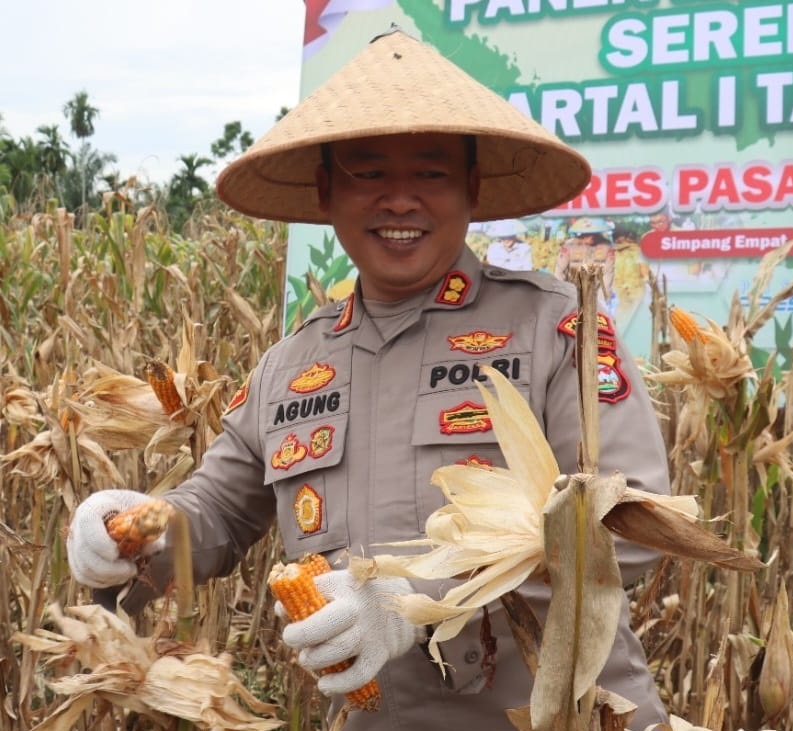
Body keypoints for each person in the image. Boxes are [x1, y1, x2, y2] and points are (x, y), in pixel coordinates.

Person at [66, 29, 671, 731]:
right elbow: (216, 514)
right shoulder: (289, 366)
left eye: (432, 173)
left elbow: (632, 522)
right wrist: (132, 535)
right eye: (368, 173)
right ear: (326, 191)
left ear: (472, 187)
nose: (400, 200)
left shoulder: (552, 327)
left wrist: (417, 595)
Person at [555, 216, 617, 315]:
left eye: (594, 234)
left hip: (596, 292)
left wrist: (602, 300)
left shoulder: (607, 247)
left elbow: (608, 274)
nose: (591, 237)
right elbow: (559, 271)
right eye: (587, 234)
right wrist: (561, 295)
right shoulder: (569, 246)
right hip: (573, 291)